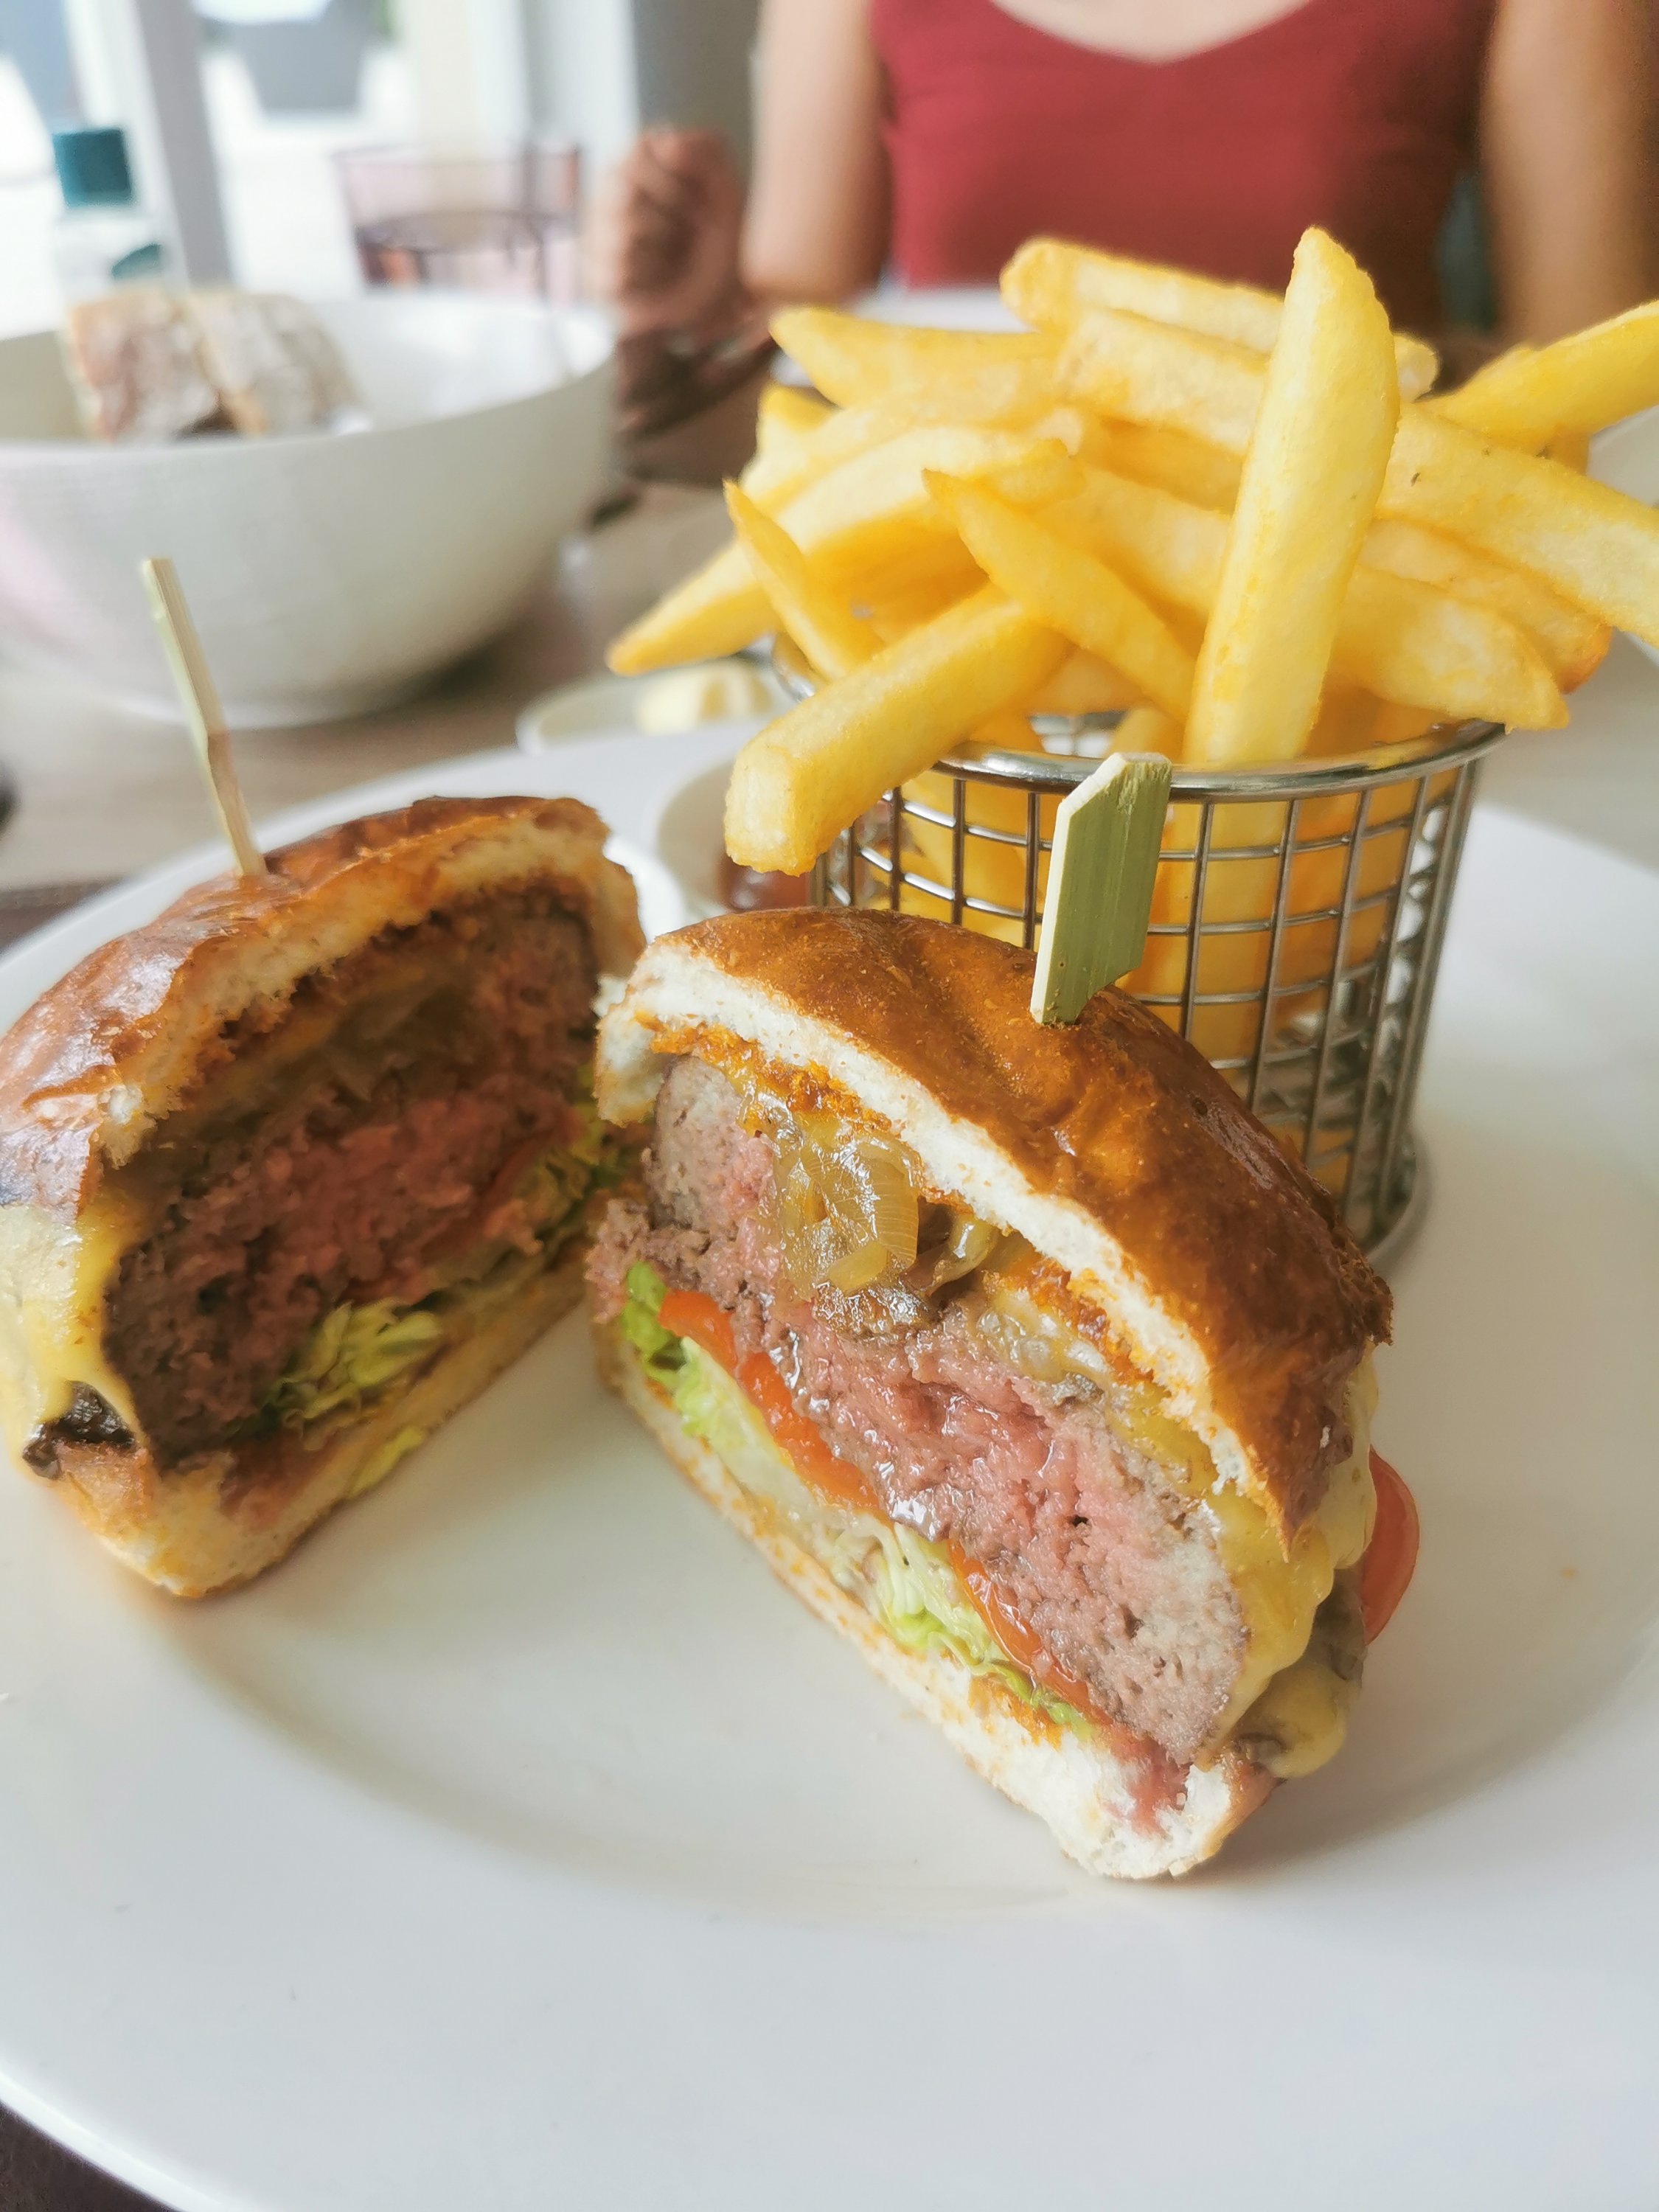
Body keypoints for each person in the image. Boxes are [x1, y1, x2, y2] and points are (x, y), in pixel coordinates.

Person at [590, 0, 1657, 455]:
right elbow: (803, 350)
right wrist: (693, 318)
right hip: (940, 624)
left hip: (1366, 633)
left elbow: (1604, 388)